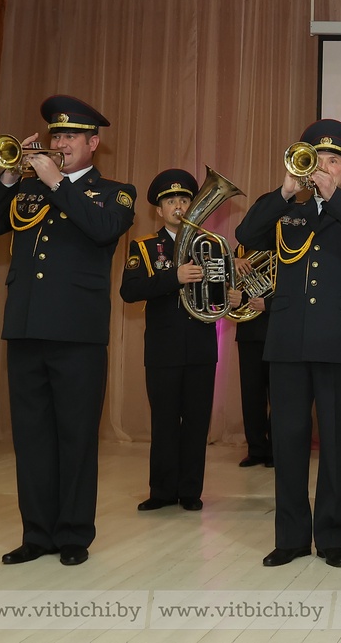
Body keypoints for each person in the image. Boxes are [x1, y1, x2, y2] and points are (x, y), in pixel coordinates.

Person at [0, 95, 136, 566]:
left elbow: (103, 230)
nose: (60, 144)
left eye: (70, 137)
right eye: (56, 135)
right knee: (31, 438)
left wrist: (57, 183)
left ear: (93, 144)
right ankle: (37, 533)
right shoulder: (28, 188)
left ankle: (74, 535)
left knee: (76, 437)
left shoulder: (115, 193)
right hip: (26, 328)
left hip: (78, 334)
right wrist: (8, 175)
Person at [234, 119, 341, 569]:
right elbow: (247, 235)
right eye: (317, 158)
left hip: (339, 343)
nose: (322, 166)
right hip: (288, 341)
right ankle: (291, 538)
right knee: (287, 442)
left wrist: (335, 198)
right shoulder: (289, 211)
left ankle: (334, 537)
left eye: (334, 160)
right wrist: (285, 190)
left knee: (338, 444)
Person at [120, 169, 240, 512]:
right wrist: (174, 277)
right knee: (164, 422)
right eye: (171, 201)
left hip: (201, 347)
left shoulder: (212, 245)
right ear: (159, 210)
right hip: (164, 348)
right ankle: (161, 491)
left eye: (185, 199)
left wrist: (233, 298)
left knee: (197, 423)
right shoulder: (145, 247)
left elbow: (219, 294)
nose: (179, 206)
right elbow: (130, 291)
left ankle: (190, 491)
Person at [234, 246, 274, 469]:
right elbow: (228, 285)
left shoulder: (287, 244)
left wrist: (268, 304)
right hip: (249, 333)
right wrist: (233, 263)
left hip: (278, 332)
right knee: (251, 395)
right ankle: (256, 449)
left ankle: (277, 449)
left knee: (279, 395)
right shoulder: (241, 249)